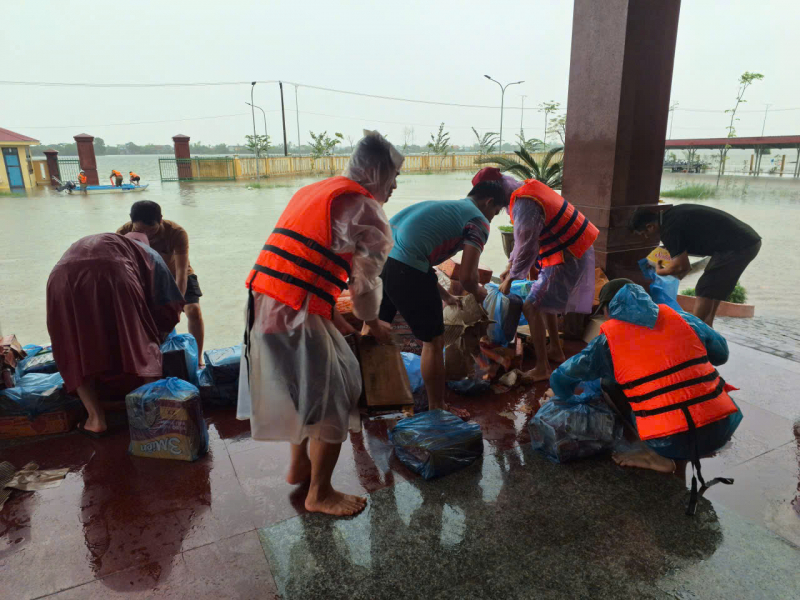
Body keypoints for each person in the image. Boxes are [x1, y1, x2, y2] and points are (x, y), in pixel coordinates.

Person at [237, 130, 403, 517]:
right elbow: (365, 285)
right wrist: (370, 323)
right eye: (393, 176)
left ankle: (299, 467)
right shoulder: (366, 211)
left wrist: (343, 327)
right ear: (377, 173)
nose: (395, 186)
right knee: (335, 398)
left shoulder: (316, 191)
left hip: (264, 304)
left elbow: (308, 268)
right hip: (294, 314)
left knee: (305, 392)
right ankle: (320, 493)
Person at [550, 279, 742, 513]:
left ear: (609, 310)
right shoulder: (683, 319)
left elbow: (562, 377)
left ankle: (656, 456)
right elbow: (721, 355)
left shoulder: (606, 343)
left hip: (669, 441)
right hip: (722, 428)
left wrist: (566, 398)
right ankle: (680, 446)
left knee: (609, 382)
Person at [373, 173, 510, 413]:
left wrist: (446, 297)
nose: (492, 217)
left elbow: (417, 256)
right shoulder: (478, 221)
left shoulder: (451, 208)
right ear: (488, 202)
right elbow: (468, 277)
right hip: (404, 266)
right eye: (496, 212)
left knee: (376, 326)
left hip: (381, 259)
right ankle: (438, 409)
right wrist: (479, 293)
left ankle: (371, 393)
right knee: (434, 342)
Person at [46, 232, 184, 436]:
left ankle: (95, 419)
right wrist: (156, 334)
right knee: (143, 341)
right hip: (115, 272)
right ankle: (150, 412)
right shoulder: (149, 254)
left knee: (72, 344)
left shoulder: (110, 243)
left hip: (60, 278)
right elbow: (171, 304)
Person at [493, 169, 598, 382]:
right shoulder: (527, 190)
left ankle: (542, 368)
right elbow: (523, 240)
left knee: (531, 305)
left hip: (568, 254)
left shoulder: (524, 202)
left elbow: (528, 244)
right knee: (544, 301)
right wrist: (510, 265)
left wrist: (510, 279)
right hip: (570, 250)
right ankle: (555, 350)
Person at [629, 204, 761, 327]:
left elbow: (682, 267)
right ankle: (707, 328)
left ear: (650, 226)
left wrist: (660, 271)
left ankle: (696, 332)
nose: (646, 237)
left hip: (739, 246)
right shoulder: (671, 216)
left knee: (705, 287)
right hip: (743, 242)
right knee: (713, 289)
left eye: (644, 234)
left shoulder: (669, 229)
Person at [117, 201, 207, 365]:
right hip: (146, 278)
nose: (146, 236)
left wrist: (177, 305)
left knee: (193, 310)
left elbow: (181, 272)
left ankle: (198, 358)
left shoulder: (176, 232)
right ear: (131, 221)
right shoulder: (123, 233)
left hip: (176, 274)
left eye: (151, 231)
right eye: (140, 231)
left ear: (160, 220)